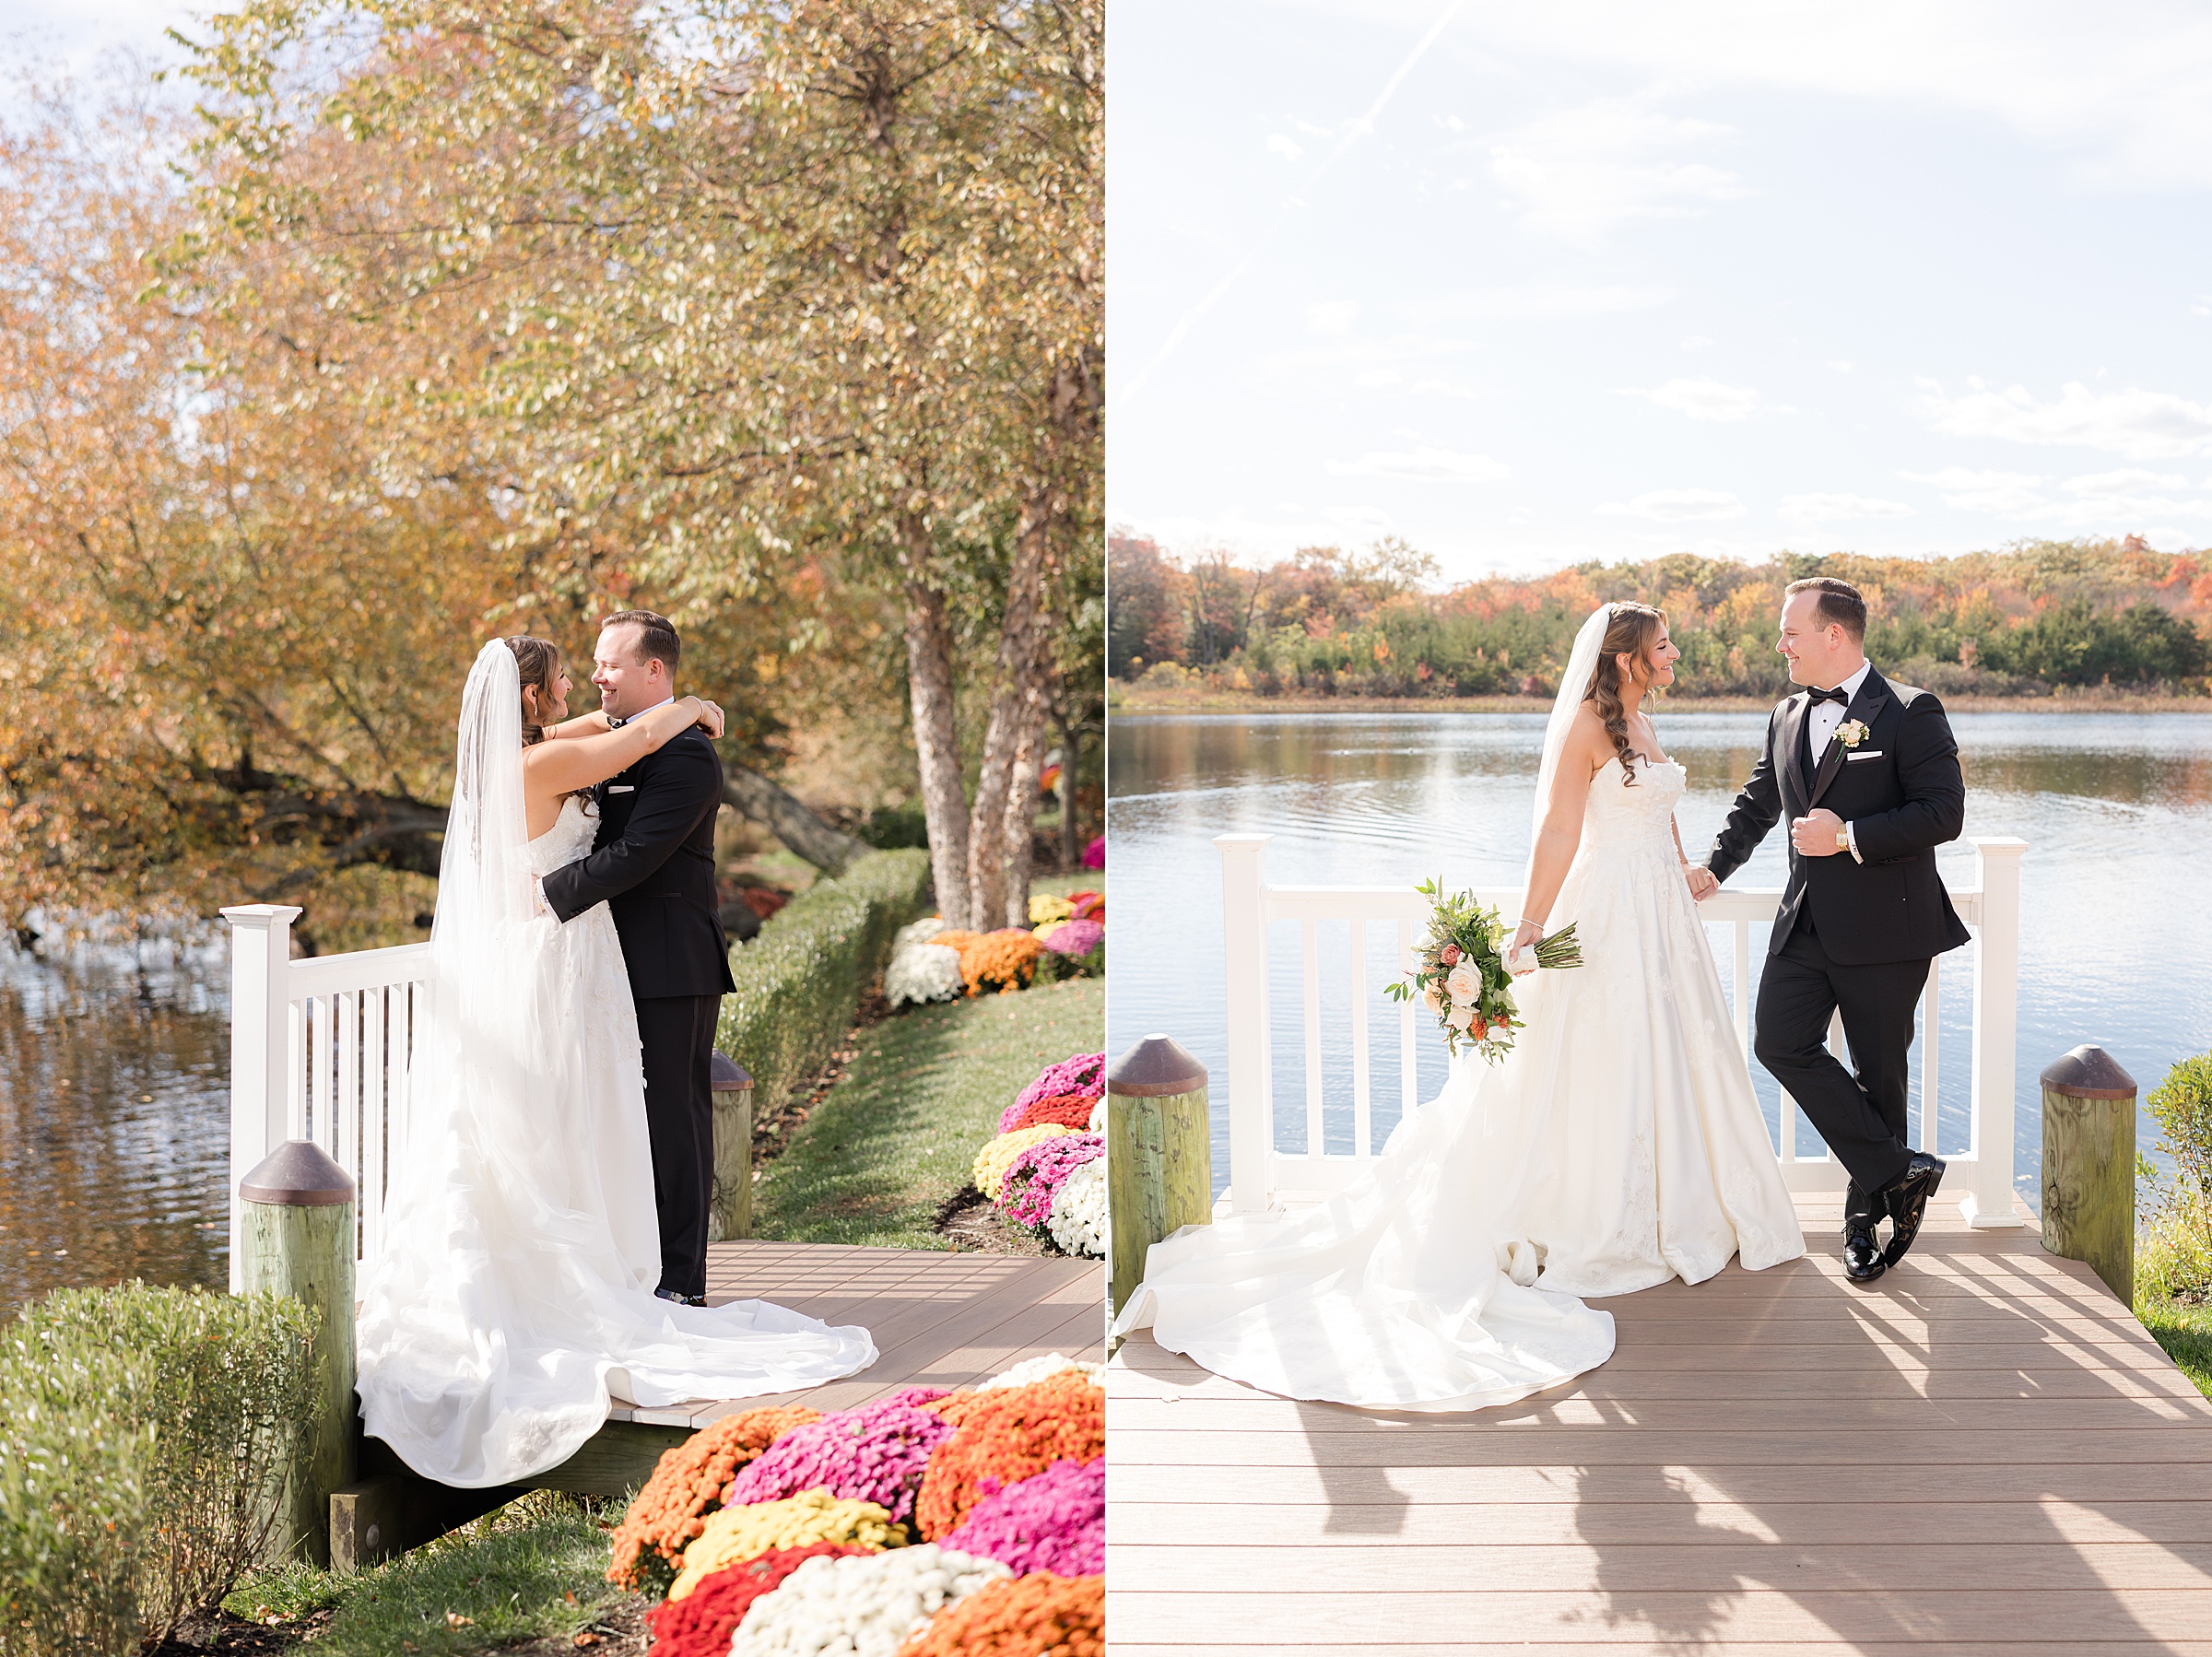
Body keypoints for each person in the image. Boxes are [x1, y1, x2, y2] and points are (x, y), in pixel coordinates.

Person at [1111, 603, 1803, 1412]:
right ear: (1624, 659)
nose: (1676, 652)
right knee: (1600, 1057)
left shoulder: (1644, 720)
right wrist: (1533, 927)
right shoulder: (1586, 723)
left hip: (1662, 919)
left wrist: (1690, 869)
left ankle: (1675, 1208)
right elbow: (1558, 832)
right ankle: (1594, 1214)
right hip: (1607, 914)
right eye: (1663, 644)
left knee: (1670, 1057)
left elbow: (1659, 816)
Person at [353, 637, 874, 1488]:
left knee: (577, 1117)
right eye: (564, 675)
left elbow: (615, 725)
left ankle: (627, 1262)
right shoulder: (543, 765)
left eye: (595, 666)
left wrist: (684, 709)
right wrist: (691, 708)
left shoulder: (534, 754)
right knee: (562, 1117)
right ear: (530, 698)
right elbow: (626, 739)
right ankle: (583, 1275)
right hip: (554, 958)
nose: (580, 685)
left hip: (571, 959)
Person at [1705, 576, 1970, 1285]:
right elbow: (1760, 800)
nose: (1781, 644)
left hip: (1889, 929)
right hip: (1806, 925)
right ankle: (1899, 1173)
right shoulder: (1787, 713)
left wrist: (1848, 834)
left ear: (1834, 635)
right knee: (1777, 1041)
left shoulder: (1911, 711)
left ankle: (1862, 1222)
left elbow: (1943, 813)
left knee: (1878, 1077)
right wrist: (1713, 869)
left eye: (1792, 631)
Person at [539, 610, 735, 1307]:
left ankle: (681, 1282)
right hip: (598, 964)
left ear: (654, 669)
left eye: (611, 664)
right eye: (592, 663)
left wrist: (544, 894)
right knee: (614, 1116)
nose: (596, 675)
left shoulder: (685, 756)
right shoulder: (614, 736)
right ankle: (630, 1264)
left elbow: (638, 855)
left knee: (673, 1120)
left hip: (668, 962)